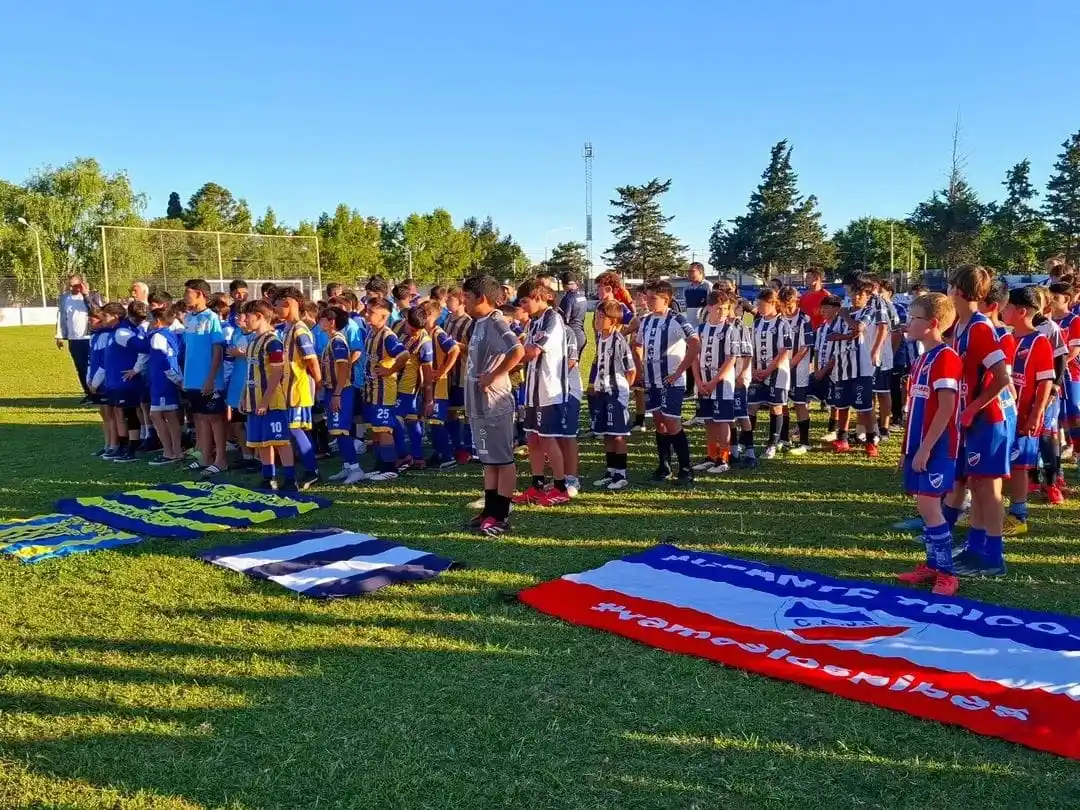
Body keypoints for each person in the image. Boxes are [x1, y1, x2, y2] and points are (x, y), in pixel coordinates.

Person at [942, 266, 1014, 579]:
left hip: (990, 417)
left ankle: (994, 555)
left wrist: (972, 408)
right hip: (974, 417)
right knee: (976, 482)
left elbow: (1001, 378)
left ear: (957, 289)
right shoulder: (961, 325)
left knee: (989, 487)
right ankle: (975, 547)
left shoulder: (980, 328)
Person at [895, 293, 963, 596]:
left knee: (929, 506)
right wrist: (906, 449)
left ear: (932, 324)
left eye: (914, 318)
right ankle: (932, 566)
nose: (908, 324)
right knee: (924, 507)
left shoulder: (946, 358)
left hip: (937, 447)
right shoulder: (922, 359)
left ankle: (947, 573)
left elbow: (947, 408)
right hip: (918, 445)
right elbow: (916, 408)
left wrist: (925, 448)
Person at [462, 275, 526, 536]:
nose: (463, 302)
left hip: (494, 403)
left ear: (482, 298)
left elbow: (517, 351)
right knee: (489, 460)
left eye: (467, 298)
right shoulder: (478, 323)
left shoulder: (496, 321)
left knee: (503, 459)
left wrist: (495, 375)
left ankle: (501, 515)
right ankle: (489, 510)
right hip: (478, 404)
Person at [997, 286, 1055, 540]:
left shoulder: (1039, 341)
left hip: (1025, 415)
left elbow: (1045, 383)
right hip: (1006, 414)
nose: (1002, 310)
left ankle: (1019, 515)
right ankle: (996, 511)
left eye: (1007, 307)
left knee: (1020, 465)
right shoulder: (1008, 338)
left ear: (1020, 312)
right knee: (1005, 463)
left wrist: (1035, 414)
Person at [634, 279, 700, 486]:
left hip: (670, 381)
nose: (648, 301)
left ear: (666, 299)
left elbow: (695, 345)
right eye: (648, 296)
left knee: (672, 423)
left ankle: (686, 469)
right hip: (651, 381)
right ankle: (664, 466)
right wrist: (639, 368)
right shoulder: (645, 320)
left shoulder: (677, 319)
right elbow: (636, 344)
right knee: (659, 423)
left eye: (653, 297)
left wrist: (679, 371)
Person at [513, 278, 571, 506]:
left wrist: (506, 358)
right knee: (533, 439)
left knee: (547, 440)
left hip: (550, 390)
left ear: (538, 297)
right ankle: (537, 485)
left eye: (525, 301)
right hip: (533, 391)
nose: (523, 307)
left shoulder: (553, 319)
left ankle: (560, 487)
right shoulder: (534, 322)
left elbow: (533, 351)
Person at [240, 300, 296, 491]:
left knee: (280, 440)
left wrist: (265, 401)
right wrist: (243, 396)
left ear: (259, 316)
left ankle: (290, 480)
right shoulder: (253, 341)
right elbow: (250, 372)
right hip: (253, 401)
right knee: (261, 441)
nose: (244, 320)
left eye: (247, 316)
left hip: (272, 402)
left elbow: (277, 373)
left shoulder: (273, 342)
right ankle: (268, 478)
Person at [692, 291, 747, 473]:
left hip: (722, 383)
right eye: (718, 309)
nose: (722, 312)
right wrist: (699, 381)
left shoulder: (730, 330)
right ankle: (711, 455)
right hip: (703, 382)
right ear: (709, 308)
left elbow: (731, 358)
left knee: (723, 420)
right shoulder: (700, 330)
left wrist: (715, 381)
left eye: (725, 308)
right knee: (709, 420)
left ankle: (723, 459)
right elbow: (694, 357)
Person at [274, 287, 322, 489]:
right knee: (298, 430)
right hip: (287, 389)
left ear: (289, 303)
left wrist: (319, 384)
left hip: (298, 389)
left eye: (277, 304)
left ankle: (312, 471)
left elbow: (312, 361)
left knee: (295, 430)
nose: (275, 309)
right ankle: (308, 468)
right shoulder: (287, 329)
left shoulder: (300, 330)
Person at [182, 279, 228, 476]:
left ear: (200, 294)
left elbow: (217, 351)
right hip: (191, 379)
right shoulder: (189, 318)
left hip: (209, 379)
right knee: (200, 418)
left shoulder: (212, 318)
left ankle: (221, 459)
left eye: (188, 293)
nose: (185, 297)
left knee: (214, 419)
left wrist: (210, 378)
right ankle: (205, 456)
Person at [828, 279, 878, 456]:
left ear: (868, 296)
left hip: (861, 368)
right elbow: (830, 335)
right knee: (842, 406)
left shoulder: (869, 311)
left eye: (861, 294)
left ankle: (871, 440)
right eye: (854, 293)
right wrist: (848, 336)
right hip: (842, 366)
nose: (856, 297)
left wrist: (845, 317)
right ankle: (842, 438)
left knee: (864, 407)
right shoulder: (843, 312)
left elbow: (858, 327)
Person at [590, 300, 637, 490]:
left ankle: (621, 473)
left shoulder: (619, 341)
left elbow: (631, 370)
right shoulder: (600, 338)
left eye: (602, 318)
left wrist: (623, 390)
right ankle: (610, 471)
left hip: (616, 393)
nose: (598, 321)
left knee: (618, 435)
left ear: (614, 321)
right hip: (602, 393)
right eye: (597, 317)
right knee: (607, 434)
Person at [363, 299, 409, 481]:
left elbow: (404, 354)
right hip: (371, 389)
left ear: (383, 316)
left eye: (370, 312)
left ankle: (390, 468)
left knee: (384, 429)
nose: (366, 314)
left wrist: (390, 370)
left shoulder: (388, 336)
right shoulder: (371, 332)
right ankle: (380, 465)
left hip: (384, 390)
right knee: (375, 429)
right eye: (367, 311)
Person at [319, 306, 366, 485]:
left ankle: (356, 468)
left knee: (341, 430)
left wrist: (337, 393)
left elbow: (344, 367)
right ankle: (348, 465)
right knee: (336, 430)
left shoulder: (338, 341)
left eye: (323, 319)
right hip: (334, 389)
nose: (319, 322)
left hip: (341, 390)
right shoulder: (332, 340)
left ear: (332, 322)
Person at [748, 289, 794, 460]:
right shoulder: (757, 323)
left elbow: (784, 351)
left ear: (773, 304)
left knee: (776, 407)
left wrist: (768, 370)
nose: (758, 307)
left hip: (777, 373)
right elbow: (751, 348)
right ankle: (748, 443)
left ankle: (772, 444)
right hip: (757, 373)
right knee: (751, 407)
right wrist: (752, 369)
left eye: (762, 304)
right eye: (757, 304)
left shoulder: (783, 324)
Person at [141, 305, 184, 465]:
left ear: (158, 321)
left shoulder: (157, 337)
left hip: (163, 383)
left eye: (151, 319)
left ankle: (169, 452)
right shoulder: (170, 335)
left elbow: (164, 361)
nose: (149, 322)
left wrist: (177, 380)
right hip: (168, 381)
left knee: (157, 416)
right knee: (171, 416)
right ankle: (177, 451)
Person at [421, 299, 461, 469]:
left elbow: (454, 349)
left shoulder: (438, 333)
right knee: (431, 420)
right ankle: (439, 453)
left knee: (437, 420)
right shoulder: (425, 333)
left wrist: (443, 370)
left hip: (439, 384)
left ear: (429, 315)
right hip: (427, 383)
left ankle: (447, 456)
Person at [397, 306, 436, 469]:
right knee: (412, 421)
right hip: (391, 382)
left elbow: (427, 373)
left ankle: (403, 456)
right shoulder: (397, 327)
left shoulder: (425, 342)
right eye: (411, 329)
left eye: (416, 331)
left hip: (408, 387)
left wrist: (429, 399)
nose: (414, 333)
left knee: (396, 420)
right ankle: (417, 458)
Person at [779, 286, 814, 454]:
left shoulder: (804, 319)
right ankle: (784, 438)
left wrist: (791, 364)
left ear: (796, 301)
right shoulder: (779, 319)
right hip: (781, 367)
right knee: (782, 403)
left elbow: (805, 347)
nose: (787, 308)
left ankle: (805, 441)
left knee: (800, 404)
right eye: (784, 305)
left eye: (790, 305)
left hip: (798, 368)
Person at [55, 273, 100, 400]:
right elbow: (61, 317)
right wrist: (59, 335)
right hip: (73, 339)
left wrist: (86, 295)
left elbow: (97, 311)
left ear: (82, 285)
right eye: (70, 286)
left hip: (89, 337)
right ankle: (88, 393)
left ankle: (97, 392)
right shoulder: (65, 298)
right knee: (80, 367)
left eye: (75, 286)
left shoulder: (92, 296)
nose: (72, 288)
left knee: (92, 366)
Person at [445, 287, 475, 464]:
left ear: (461, 301)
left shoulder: (469, 322)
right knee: (451, 412)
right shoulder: (448, 319)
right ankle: (455, 445)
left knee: (467, 413)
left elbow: (473, 349)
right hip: (448, 374)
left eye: (451, 299)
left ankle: (469, 447)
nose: (447, 302)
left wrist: (457, 346)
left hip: (463, 373)